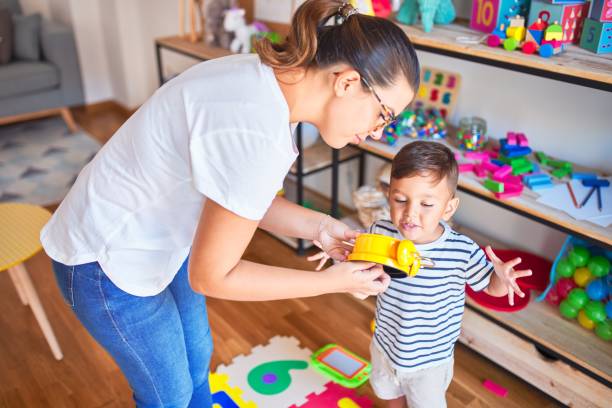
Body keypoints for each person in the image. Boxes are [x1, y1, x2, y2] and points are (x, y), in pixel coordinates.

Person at [40, 1, 421, 406]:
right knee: (169, 394)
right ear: (346, 83)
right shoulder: (256, 128)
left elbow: (238, 199)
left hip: (163, 236)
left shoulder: (269, 83)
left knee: (197, 358)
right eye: (384, 114)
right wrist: (333, 282)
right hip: (104, 259)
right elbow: (213, 276)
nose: (379, 132)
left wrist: (321, 227)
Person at [365, 141, 532, 408]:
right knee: (389, 396)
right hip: (385, 345)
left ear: (448, 208)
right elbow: (364, 263)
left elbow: (491, 288)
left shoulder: (461, 250)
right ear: (389, 196)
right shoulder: (380, 230)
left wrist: (500, 278)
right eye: (400, 200)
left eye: (427, 204)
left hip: (429, 362)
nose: (410, 213)